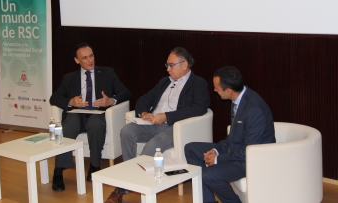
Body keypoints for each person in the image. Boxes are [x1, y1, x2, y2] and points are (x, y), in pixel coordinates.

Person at [105, 47, 211, 203]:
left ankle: (128, 186)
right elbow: (144, 99)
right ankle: (130, 181)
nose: (168, 69)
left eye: (171, 65)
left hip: (174, 127)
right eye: (166, 65)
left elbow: (200, 107)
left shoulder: (198, 83)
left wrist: (167, 116)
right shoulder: (164, 82)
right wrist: (144, 113)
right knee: (127, 131)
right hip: (152, 123)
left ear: (184, 64)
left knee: (152, 145)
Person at [185, 66, 275, 203]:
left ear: (228, 91)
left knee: (210, 175)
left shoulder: (253, 109)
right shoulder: (238, 100)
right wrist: (216, 150)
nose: (214, 90)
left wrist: (218, 159)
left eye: (216, 88)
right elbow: (232, 137)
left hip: (253, 160)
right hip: (238, 150)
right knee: (191, 149)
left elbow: (249, 152)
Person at [49, 42, 131, 191]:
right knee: (68, 125)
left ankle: (94, 166)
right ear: (76, 60)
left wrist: (111, 100)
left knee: (96, 124)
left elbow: (125, 92)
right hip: (77, 114)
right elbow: (54, 98)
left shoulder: (107, 73)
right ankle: (58, 171)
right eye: (85, 58)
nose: (89, 60)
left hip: (97, 114)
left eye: (91, 56)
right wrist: (70, 101)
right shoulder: (69, 78)